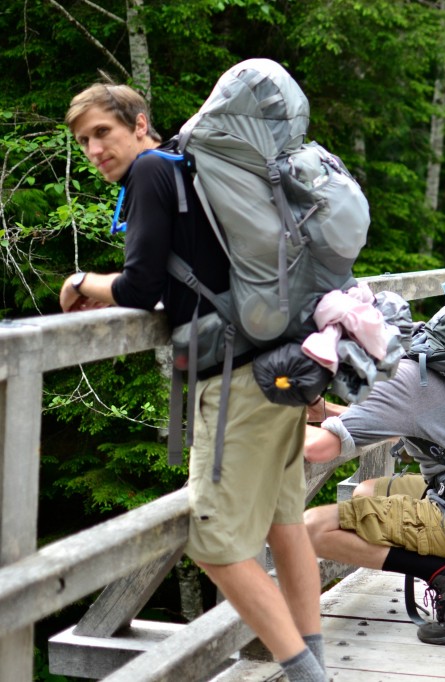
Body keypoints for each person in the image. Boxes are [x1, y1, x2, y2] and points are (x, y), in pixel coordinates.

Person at [60, 84, 327, 681]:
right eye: (84, 141)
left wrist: (82, 280)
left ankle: (309, 675)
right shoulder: (189, 166)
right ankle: (318, 662)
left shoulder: (154, 171)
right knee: (285, 526)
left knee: (215, 546)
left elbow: (136, 288)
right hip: (275, 364)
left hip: (234, 382)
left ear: (139, 124)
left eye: (102, 132)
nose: (94, 149)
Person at [303, 357, 445, 645]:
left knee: (313, 528)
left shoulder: (397, 385)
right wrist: (324, 412)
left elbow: (317, 448)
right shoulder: (432, 367)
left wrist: (271, 422)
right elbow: (395, 419)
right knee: (366, 492)